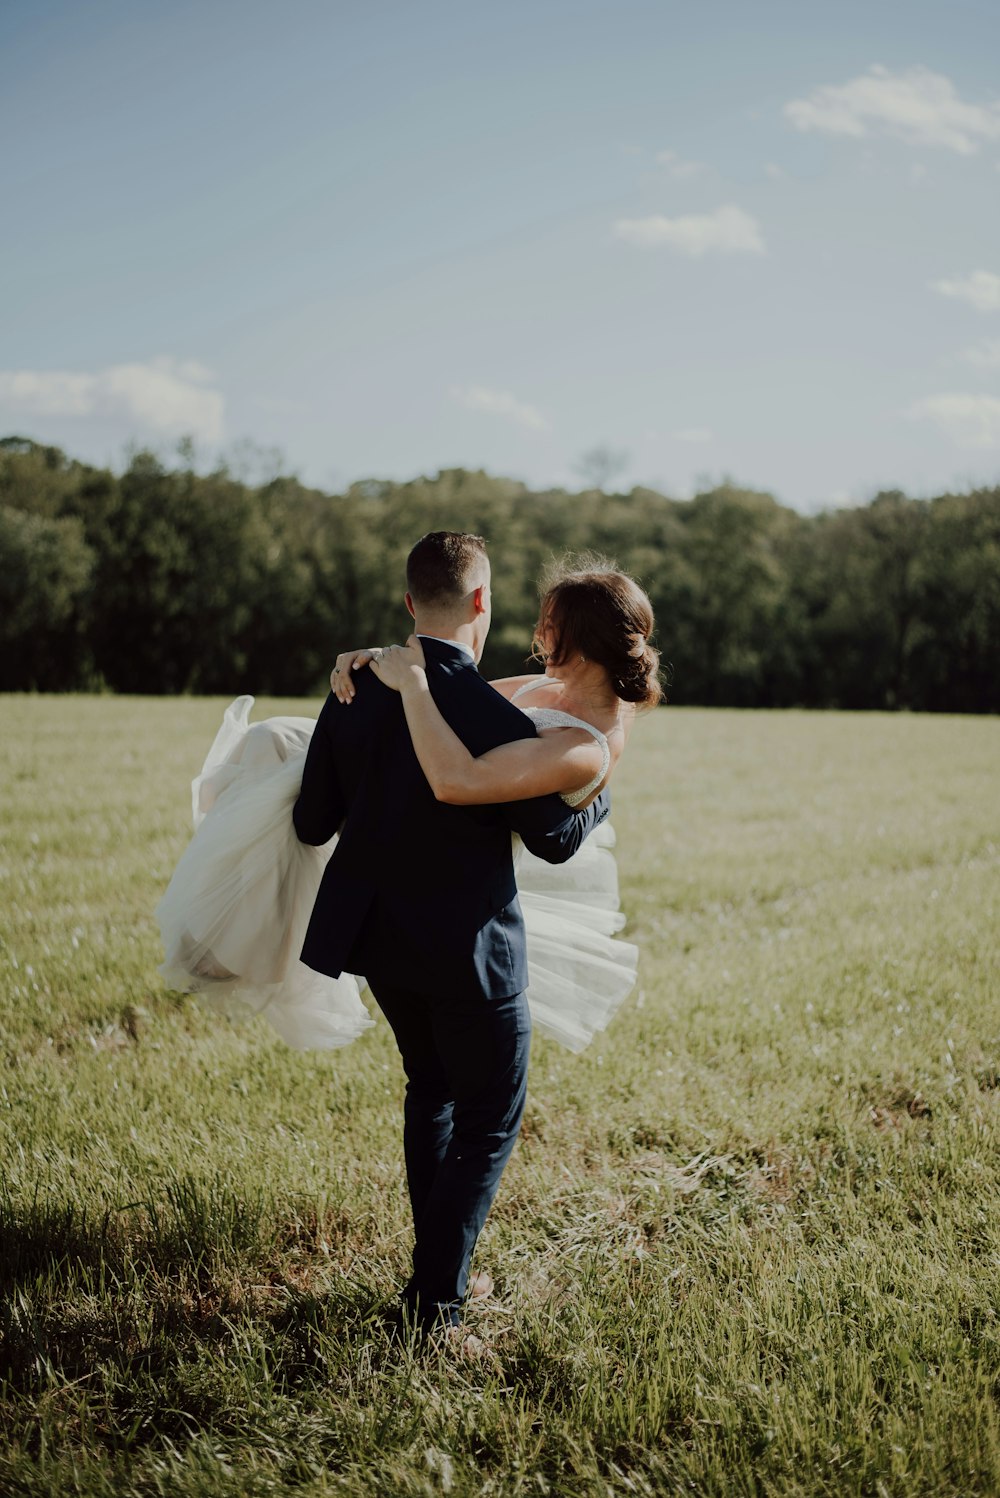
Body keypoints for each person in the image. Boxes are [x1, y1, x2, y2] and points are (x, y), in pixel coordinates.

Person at [156, 532, 619, 1340]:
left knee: (430, 1091)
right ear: (483, 602)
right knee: (487, 1121)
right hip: (471, 953)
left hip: (376, 942)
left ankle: (430, 1273)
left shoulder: (357, 687)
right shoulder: (491, 713)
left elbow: (313, 820)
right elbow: (553, 835)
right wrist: (605, 776)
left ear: (411, 602)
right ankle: (434, 1303)